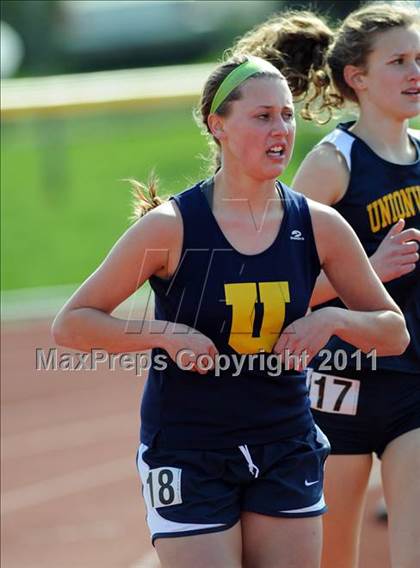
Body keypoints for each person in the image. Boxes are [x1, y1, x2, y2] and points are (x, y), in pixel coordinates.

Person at [52, 54, 409, 568]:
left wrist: (332, 319)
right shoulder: (172, 227)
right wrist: (165, 334)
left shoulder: (320, 225)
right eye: (262, 116)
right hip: (189, 449)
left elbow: (392, 331)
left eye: (286, 115)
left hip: (285, 441)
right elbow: (73, 323)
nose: (281, 128)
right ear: (217, 126)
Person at [232, 3, 420, 568]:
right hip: (339, 384)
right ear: (356, 77)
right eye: (399, 61)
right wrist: (371, 269)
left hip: (412, 377)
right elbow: (275, 288)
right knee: (333, 559)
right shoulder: (332, 164)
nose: (415, 72)